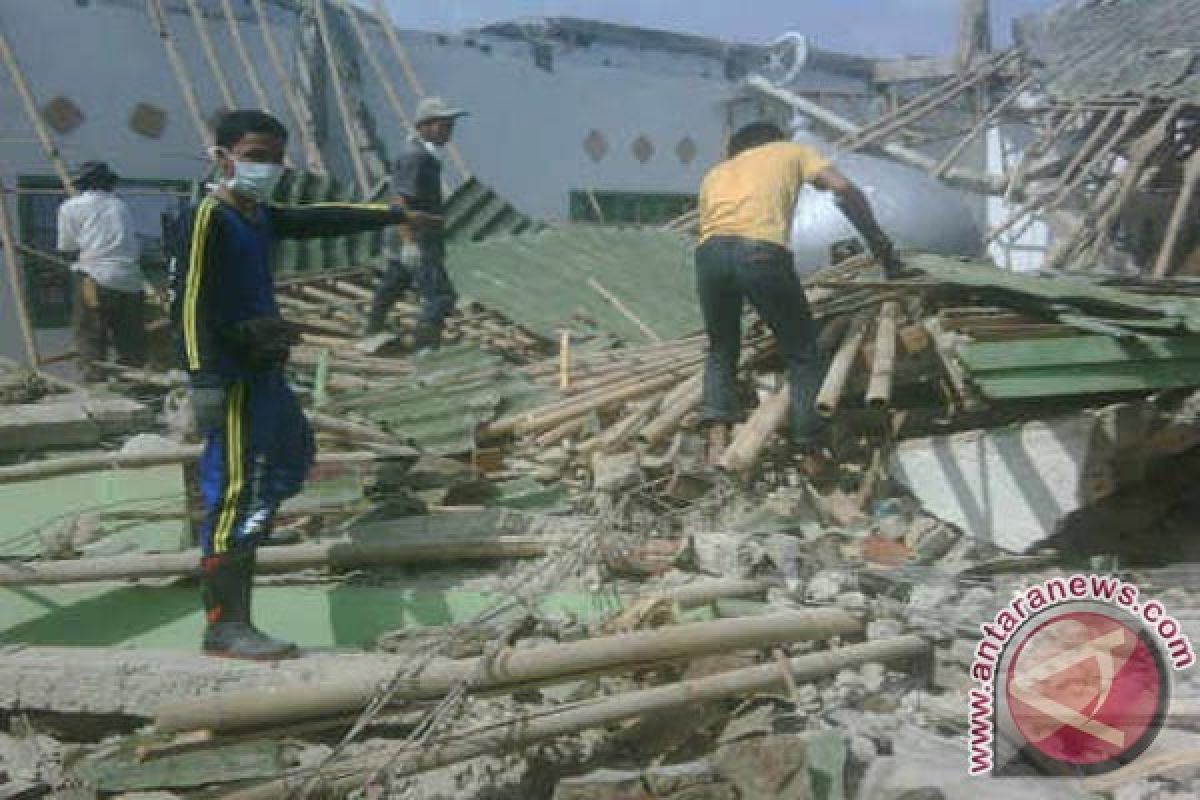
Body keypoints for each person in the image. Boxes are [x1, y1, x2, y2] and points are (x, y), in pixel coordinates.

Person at [168, 110, 439, 659]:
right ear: (224, 157)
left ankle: (255, 528)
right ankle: (226, 623)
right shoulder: (207, 217)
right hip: (233, 377)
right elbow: (189, 302)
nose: (266, 166)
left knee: (294, 451)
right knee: (236, 494)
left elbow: (316, 218)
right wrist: (203, 379)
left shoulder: (257, 213)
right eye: (255, 155)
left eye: (273, 157)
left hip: (264, 366)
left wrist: (390, 213)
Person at [695, 121, 900, 466]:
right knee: (804, 353)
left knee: (722, 348)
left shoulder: (716, 172)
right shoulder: (792, 151)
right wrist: (880, 244)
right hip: (761, 251)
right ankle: (809, 444)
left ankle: (715, 440)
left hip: (708, 255)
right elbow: (844, 189)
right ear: (773, 140)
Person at [364, 96, 468, 351]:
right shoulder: (417, 157)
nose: (449, 130)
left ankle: (372, 329)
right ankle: (425, 347)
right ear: (425, 126)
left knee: (395, 281)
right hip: (416, 235)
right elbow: (402, 200)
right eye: (444, 124)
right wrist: (411, 242)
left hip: (406, 235)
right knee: (441, 296)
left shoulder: (420, 155)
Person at [56, 161, 145, 382]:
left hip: (95, 278)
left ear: (82, 184)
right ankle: (135, 384)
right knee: (130, 341)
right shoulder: (121, 206)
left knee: (90, 337)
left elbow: (66, 247)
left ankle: (95, 387)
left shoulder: (70, 206)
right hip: (131, 280)